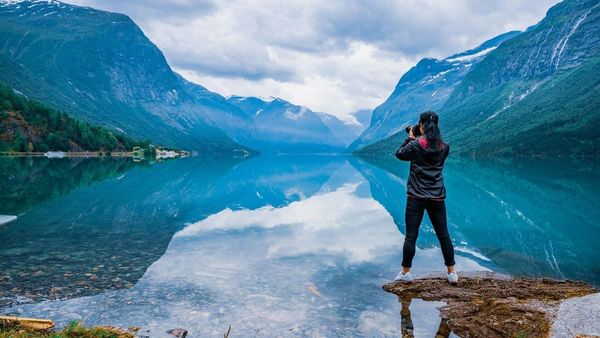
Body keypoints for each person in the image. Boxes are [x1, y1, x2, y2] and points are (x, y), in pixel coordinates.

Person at [394, 111, 457, 285]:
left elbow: (399, 154)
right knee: (443, 235)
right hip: (437, 197)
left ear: (421, 125)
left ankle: (406, 273)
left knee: (411, 236)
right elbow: (432, 148)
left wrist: (411, 137)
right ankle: (451, 273)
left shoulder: (415, 145)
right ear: (437, 125)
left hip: (416, 196)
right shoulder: (445, 147)